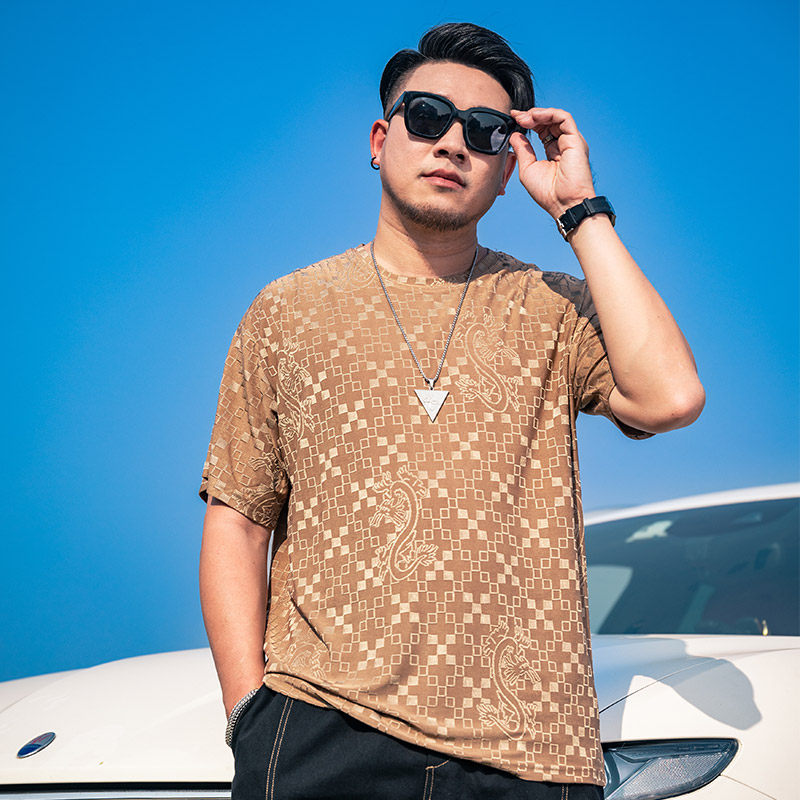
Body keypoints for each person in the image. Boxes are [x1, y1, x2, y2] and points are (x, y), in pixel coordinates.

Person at [198, 21, 705, 800]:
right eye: (427, 116)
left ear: (506, 170)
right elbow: (238, 519)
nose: (452, 143)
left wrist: (579, 209)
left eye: (484, 130)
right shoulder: (287, 312)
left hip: (533, 755)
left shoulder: (552, 307)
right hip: (323, 733)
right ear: (380, 140)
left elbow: (670, 397)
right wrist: (252, 718)